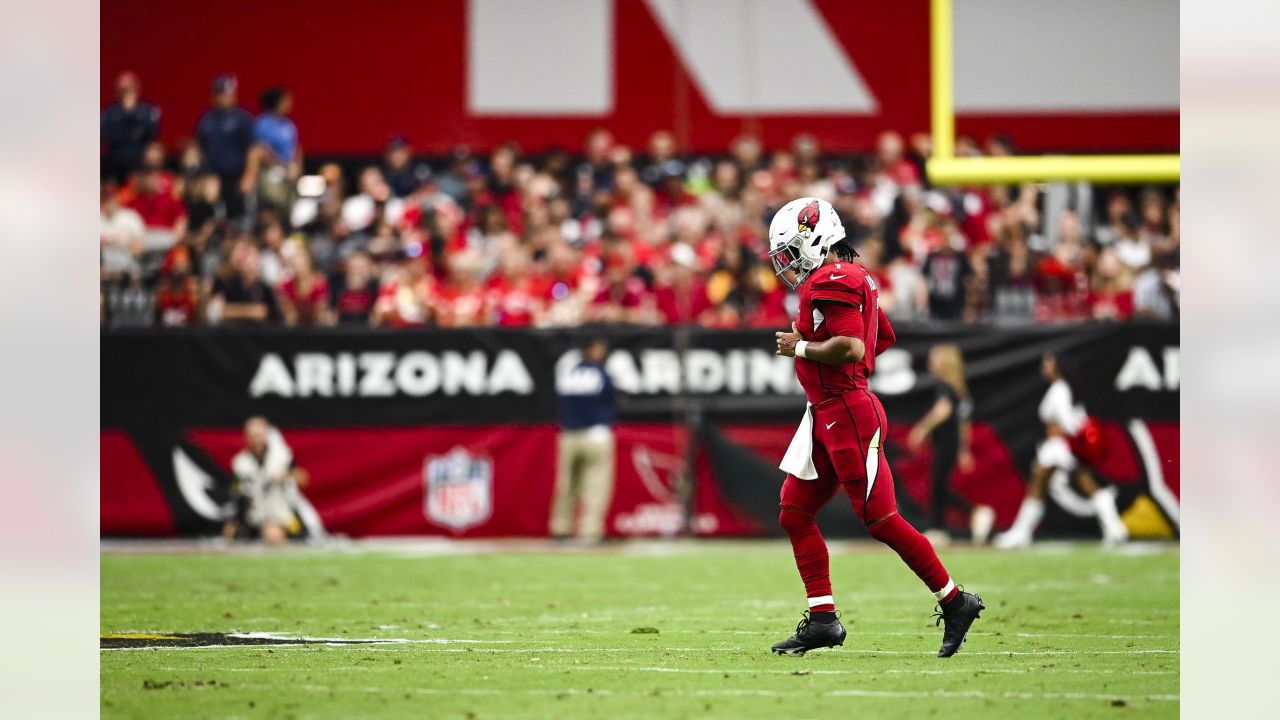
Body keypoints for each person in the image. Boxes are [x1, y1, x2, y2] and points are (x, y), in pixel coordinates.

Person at [769, 197, 984, 658]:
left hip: (845, 411)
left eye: (790, 251)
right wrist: (840, 362)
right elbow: (879, 337)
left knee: (881, 519)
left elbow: (849, 346)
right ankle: (823, 620)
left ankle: (955, 601)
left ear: (816, 237)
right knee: (794, 511)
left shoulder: (832, 278)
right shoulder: (852, 277)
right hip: (827, 411)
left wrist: (802, 348)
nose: (786, 264)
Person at [994, 352, 1129, 548]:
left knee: (1038, 484)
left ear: (1058, 366)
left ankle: (1020, 533)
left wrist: (1067, 435)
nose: (1044, 367)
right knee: (1083, 483)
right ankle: (1115, 528)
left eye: (1048, 364)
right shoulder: (1062, 388)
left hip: (1058, 447)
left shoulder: (1060, 389)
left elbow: (1069, 422)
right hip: (1061, 447)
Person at [906, 344, 994, 545]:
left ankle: (940, 528)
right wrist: (963, 449)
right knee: (940, 484)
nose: (930, 362)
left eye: (934, 358)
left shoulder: (944, 386)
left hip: (947, 441)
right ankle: (972, 513)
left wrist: (922, 428)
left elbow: (944, 410)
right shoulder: (958, 388)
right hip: (951, 441)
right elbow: (963, 422)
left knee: (938, 484)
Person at [550, 338, 617, 545]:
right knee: (596, 485)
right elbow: (611, 398)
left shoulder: (567, 371)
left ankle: (561, 528)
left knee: (566, 484)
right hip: (596, 434)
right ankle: (591, 531)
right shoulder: (601, 373)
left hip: (569, 433)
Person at [223, 417, 325, 544]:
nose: (257, 439)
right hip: (255, 514)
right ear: (246, 437)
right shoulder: (241, 462)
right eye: (253, 435)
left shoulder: (281, 456)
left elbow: (303, 478)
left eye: (260, 435)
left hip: (281, 513)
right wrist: (234, 520)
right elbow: (236, 493)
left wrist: (285, 475)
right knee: (230, 534)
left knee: (272, 533)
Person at [195, 75, 256, 219]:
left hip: (236, 176)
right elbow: (200, 149)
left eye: (226, 93)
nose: (223, 97)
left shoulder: (243, 119)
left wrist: (249, 175)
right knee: (211, 213)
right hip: (212, 176)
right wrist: (202, 176)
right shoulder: (207, 120)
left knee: (238, 215)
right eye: (219, 93)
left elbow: (252, 150)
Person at [101, 71, 161, 183]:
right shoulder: (109, 112)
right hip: (115, 165)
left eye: (129, 89)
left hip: (141, 166)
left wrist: (132, 113)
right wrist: (125, 115)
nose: (126, 94)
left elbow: (152, 131)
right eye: (122, 90)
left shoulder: (147, 110)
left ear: (137, 89)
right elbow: (107, 134)